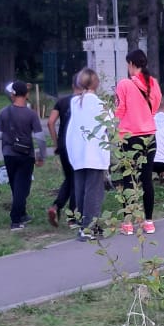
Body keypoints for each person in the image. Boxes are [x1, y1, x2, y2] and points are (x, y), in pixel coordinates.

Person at [114, 49, 162, 235]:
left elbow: (120, 109)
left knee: (128, 178)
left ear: (132, 64)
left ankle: (128, 223)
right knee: (147, 179)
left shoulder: (124, 84)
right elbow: (155, 106)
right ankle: (149, 221)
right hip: (149, 135)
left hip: (129, 136)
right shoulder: (153, 83)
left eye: (128, 64)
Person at [66, 68, 111, 241]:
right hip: (95, 153)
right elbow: (111, 124)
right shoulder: (99, 104)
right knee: (94, 192)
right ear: (96, 83)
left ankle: (85, 223)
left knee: (81, 190)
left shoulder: (75, 103)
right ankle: (88, 228)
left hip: (77, 152)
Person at [0, 81, 44, 230]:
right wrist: (41, 155)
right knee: (23, 187)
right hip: (26, 155)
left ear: (12, 94)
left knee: (16, 186)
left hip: (9, 154)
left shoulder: (4, 112)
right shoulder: (31, 114)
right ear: (27, 94)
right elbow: (40, 137)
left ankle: (22, 213)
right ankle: (16, 220)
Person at [46, 86, 76, 226]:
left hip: (63, 144)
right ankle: (72, 217)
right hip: (77, 145)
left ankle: (56, 207)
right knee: (77, 179)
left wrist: (56, 142)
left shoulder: (62, 101)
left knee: (69, 178)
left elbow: (50, 122)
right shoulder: (83, 102)